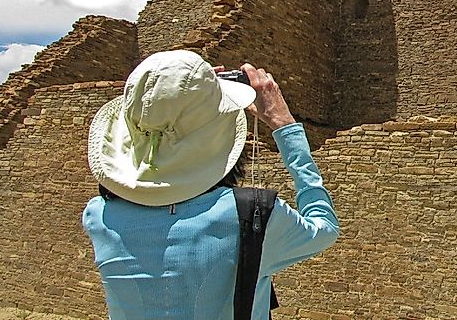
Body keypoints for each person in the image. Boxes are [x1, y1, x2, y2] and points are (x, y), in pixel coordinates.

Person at [82, 49, 339, 319]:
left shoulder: (98, 216)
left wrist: (196, 97)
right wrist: (284, 125)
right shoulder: (252, 215)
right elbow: (324, 228)